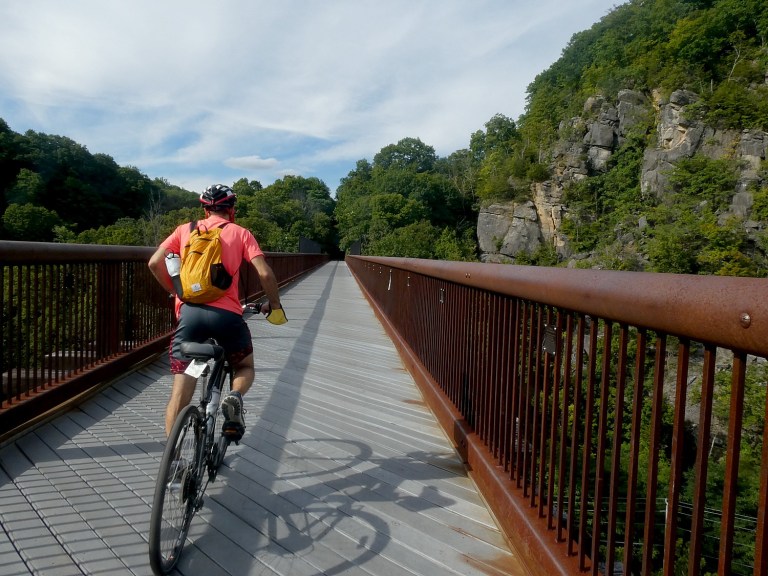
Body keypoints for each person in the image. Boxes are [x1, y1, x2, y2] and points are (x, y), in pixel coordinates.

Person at [148, 183, 282, 441]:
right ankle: (234, 396)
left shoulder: (184, 230)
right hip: (227, 317)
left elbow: (154, 262)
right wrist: (274, 304)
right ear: (231, 209)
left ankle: (173, 462)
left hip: (190, 316)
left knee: (182, 385)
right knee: (244, 365)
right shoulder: (241, 233)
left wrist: (177, 293)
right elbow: (264, 272)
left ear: (205, 208)